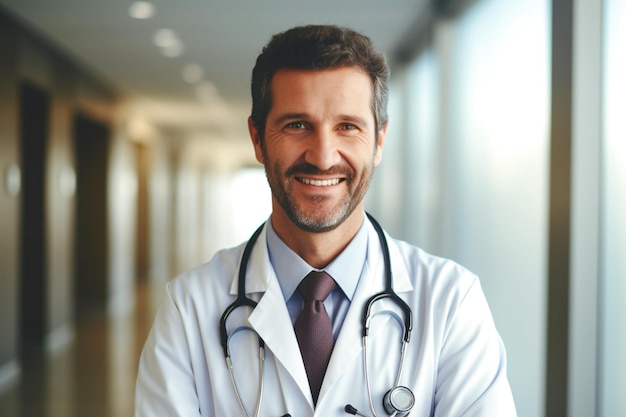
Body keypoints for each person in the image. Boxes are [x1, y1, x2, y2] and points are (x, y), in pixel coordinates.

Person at [134, 24, 517, 417]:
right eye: (297, 125)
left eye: (347, 126)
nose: (322, 156)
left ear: (379, 141)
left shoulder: (451, 302)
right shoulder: (189, 308)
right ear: (257, 138)